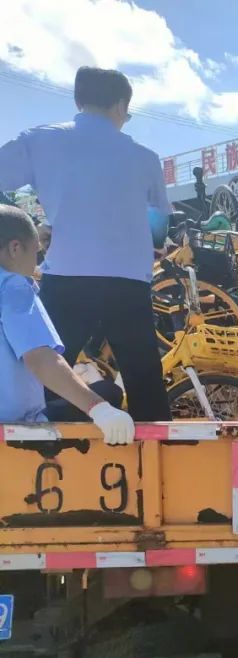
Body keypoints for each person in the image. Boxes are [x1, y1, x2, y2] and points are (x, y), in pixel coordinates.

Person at [0, 67, 173, 421]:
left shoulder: (40, 140)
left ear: (79, 100)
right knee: (144, 378)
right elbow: (158, 228)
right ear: (121, 106)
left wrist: (26, 227)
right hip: (129, 281)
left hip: (67, 276)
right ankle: (156, 449)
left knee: (49, 370)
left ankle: (46, 446)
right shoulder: (145, 158)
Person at [0, 205, 134, 443]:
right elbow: (40, 358)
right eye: (36, 253)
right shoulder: (12, 286)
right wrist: (99, 409)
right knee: (109, 393)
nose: (37, 264)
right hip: (16, 433)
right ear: (15, 248)